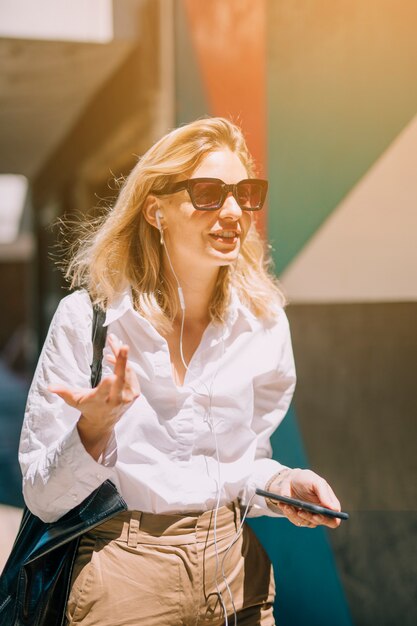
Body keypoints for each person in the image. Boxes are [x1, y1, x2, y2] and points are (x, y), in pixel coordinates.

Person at [19, 117, 342, 626]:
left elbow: (241, 465)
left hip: (236, 572)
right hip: (123, 576)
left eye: (245, 193)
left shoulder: (262, 322)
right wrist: (93, 430)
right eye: (209, 193)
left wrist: (284, 485)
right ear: (156, 210)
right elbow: (41, 497)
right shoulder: (90, 319)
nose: (234, 211)